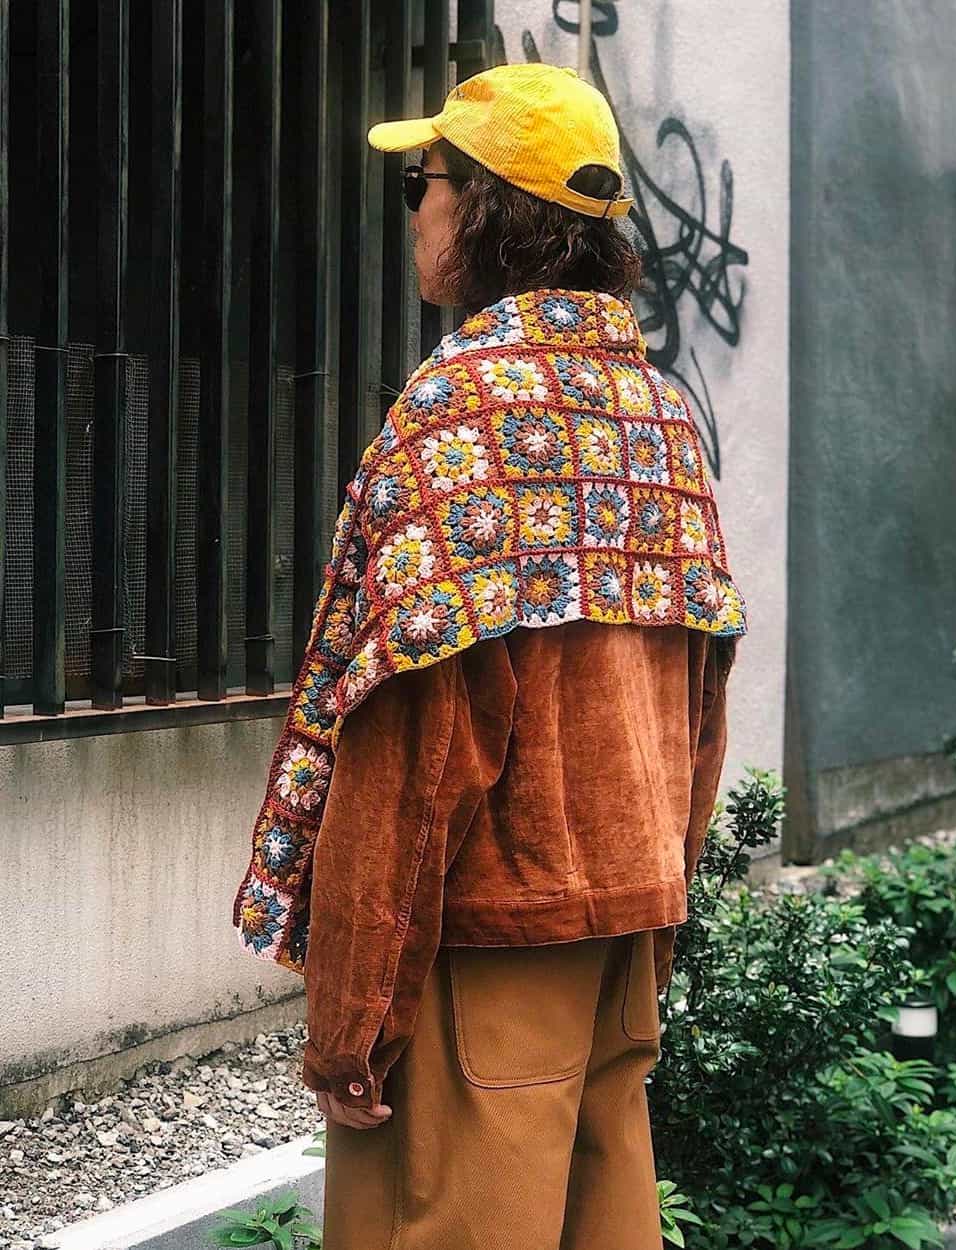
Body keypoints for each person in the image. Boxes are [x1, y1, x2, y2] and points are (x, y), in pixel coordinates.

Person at [231, 61, 746, 1250]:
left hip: (482, 941)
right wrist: (656, 918)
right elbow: (697, 707)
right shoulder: (658, 415)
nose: (415, 207)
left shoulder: (463, 414)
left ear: (488, 212)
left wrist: (349, 1012)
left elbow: (415, 747)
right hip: (620, 933)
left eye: (427, 181)